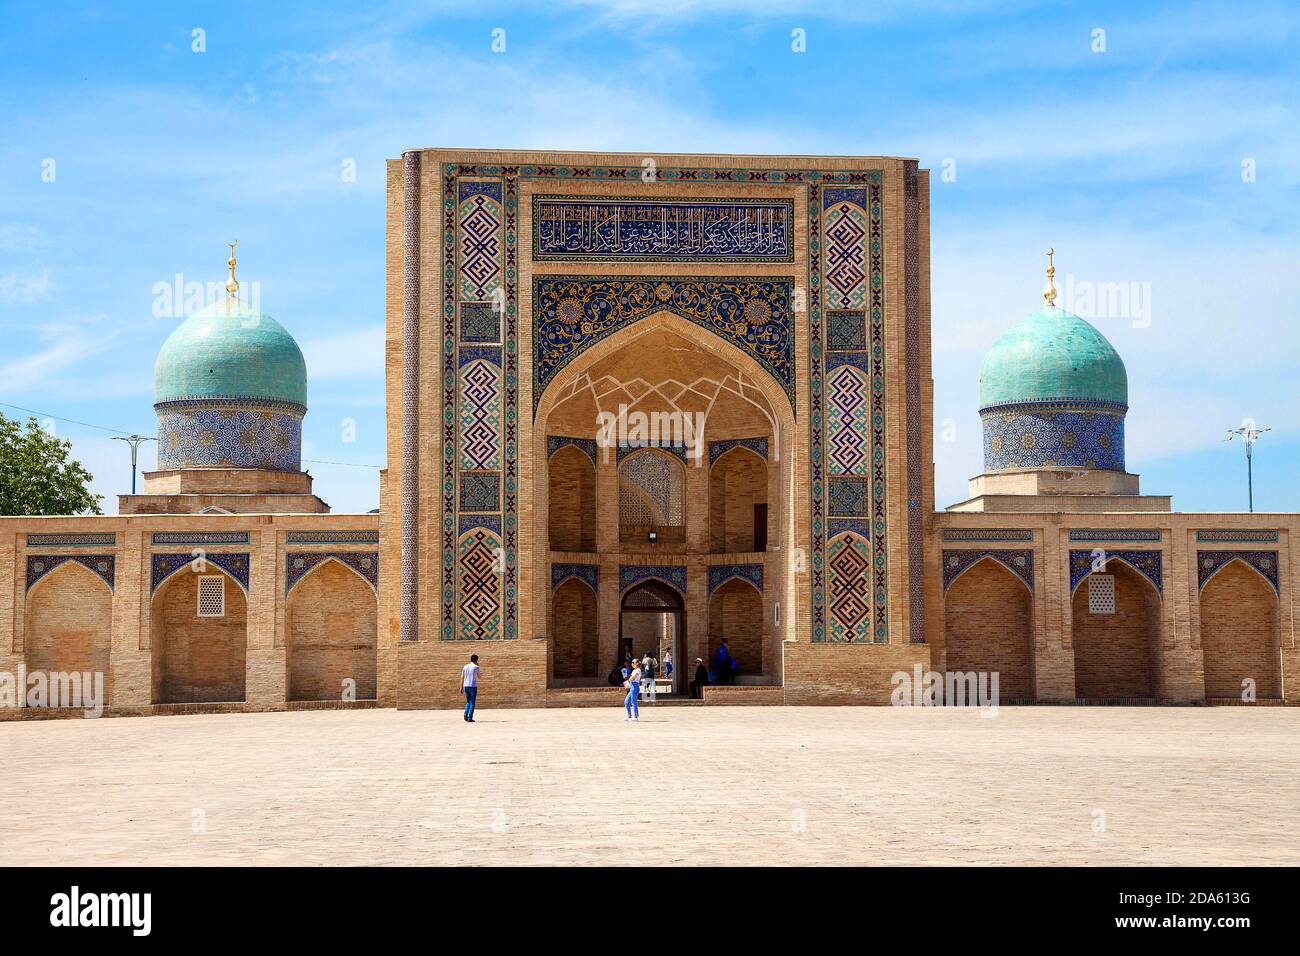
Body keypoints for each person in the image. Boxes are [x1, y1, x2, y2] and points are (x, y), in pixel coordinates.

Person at [462, 653, 480, 722]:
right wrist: (478, 666)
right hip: (473, 686)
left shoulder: (465, 666)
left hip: (465, 686)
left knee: (468, 701)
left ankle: (465, 713)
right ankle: (470, 718)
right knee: (472, 702)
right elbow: (479, 676)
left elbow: (462, 677)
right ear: (476, 660)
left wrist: (461, 687)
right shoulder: (476, 667)